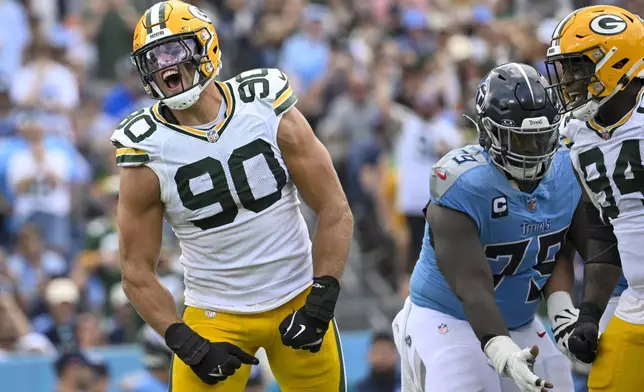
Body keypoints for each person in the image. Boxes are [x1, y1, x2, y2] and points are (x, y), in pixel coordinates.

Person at [112, 1, 353, 391]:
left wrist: (322, 299)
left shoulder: (263, 105)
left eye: (173, 51)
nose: (164, 66)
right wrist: (185, 342)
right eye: (153, 57)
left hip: (296, 297)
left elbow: (334, 208)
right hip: (214, 313)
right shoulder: (145, 148)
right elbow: (136, 270)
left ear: (205, 47)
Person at [392, 63, 590, 392]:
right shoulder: (462, 182)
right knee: (471, 383)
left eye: (542, 139)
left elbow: (558, 248)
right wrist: (501, 350)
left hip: (521, 320)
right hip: (447, 316)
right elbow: (471, 284)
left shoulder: (565, 169)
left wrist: (562, 309)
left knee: (558, 383)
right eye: (522, 140)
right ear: (489, 131)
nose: (536, 152)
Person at [544, 5, 644, 391]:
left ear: (617, 64)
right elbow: (603, 235)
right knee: (605, 383)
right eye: (565, 67)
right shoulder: (579, 134)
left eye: (578, 66)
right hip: (636, 297)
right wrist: (588, 313)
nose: (566, 79)